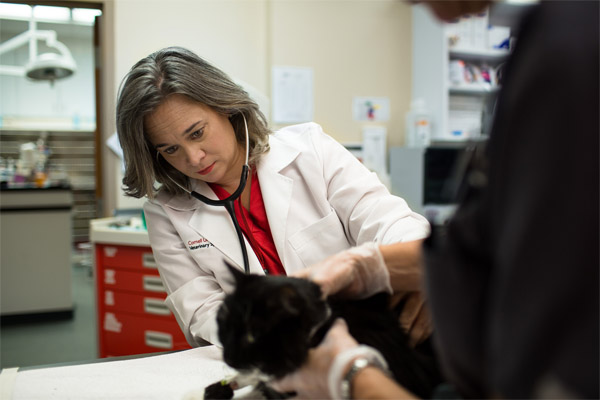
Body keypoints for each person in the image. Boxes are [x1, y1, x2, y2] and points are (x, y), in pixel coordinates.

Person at [273, 1, 599, 398]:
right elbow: (515, 243)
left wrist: (350, 373)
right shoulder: (550, 38)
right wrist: (368, 265)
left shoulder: (571, 52)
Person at [115, 46, 430, 346]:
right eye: (170, 149)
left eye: (197, 133)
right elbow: (202, 313)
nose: (194, 158)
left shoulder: (310, 151)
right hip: (271, 355)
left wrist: (419, 275)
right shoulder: (166, 214)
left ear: (226, 107)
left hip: (363, 335)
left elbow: (391, 223)